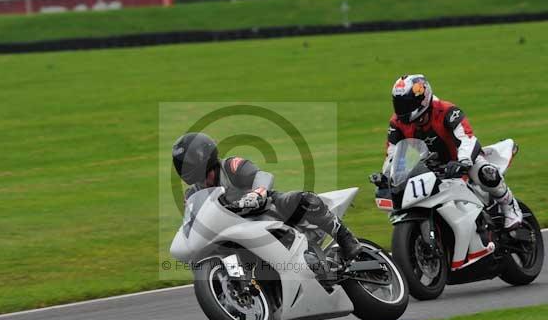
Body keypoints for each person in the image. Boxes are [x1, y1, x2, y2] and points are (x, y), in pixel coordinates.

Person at [172, 132, 361, 263]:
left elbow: (262, 176)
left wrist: (257, 193)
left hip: (268, 208)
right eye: (181, 164)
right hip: (235, 230)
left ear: (203, 155)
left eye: (187, 162)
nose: (185, 167)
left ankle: (346, 239)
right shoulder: (192, 194)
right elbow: (194, 221)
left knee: (302, 199)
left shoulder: (231, 166)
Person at [380, 74, 522, 229]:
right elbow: (392, 154)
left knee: (483, 171)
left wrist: (464, 161)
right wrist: (387, 175)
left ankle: (510, 206)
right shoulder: (397, 123)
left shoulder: (447, 111)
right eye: (399, 105)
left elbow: (467, 138)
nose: (402, 110)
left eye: (406, 105)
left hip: (460, 162)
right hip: (429, 168)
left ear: (423, 98)